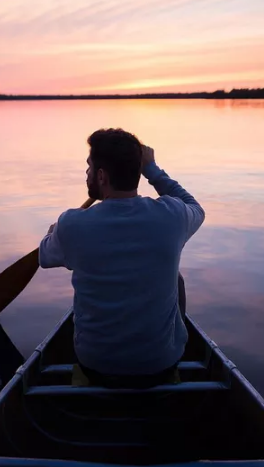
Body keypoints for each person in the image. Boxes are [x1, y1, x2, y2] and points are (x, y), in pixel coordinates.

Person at [38, 128, 205, 387]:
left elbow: (44, 257)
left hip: (95, 365)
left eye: (89, 168)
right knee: (177, 279)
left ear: (102, 176)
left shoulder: (71, 224)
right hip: (160, 364)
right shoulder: (173, 215)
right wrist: (152, 169)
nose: (87, 174)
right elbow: (194, 206)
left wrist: (53, 232)